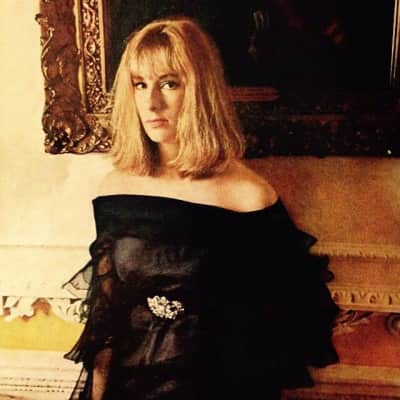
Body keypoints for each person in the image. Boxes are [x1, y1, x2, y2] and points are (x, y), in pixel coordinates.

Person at [64, 16, 339, 400]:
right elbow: (106, 318)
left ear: (200, 91)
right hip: (130, 389)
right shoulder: (115, 191)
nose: (151, 102)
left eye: (169, 83)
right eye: (140, 84)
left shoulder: (248, 197)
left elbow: (280, 325)